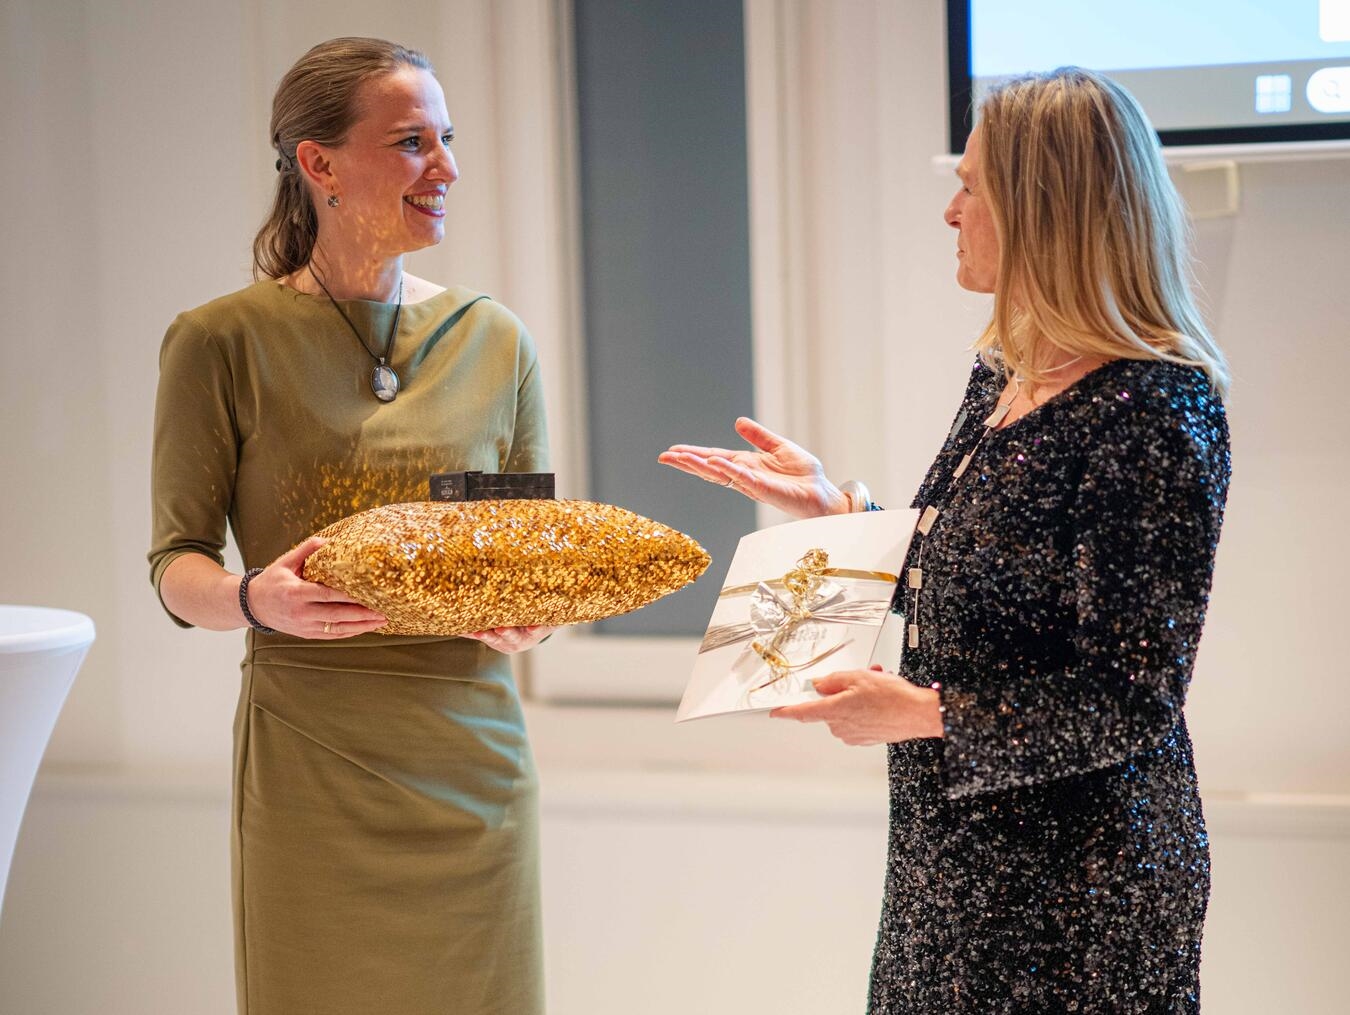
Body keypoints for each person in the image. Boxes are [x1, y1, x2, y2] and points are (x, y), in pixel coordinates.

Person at [661, 67, 1230, 1013]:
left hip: (1081, 891)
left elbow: (1132, 697)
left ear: (1043, 211)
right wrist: (841, 511)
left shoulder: (1155, 411)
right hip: (951, 858)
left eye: (972, 187)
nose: (950, 210)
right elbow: (979, 572)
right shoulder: (1005, 369)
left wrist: (923, 712)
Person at [148, 38, 552, 1015]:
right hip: (312, 771)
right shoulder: (219, 342)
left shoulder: (495, 341)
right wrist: (253, 598)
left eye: (447, 140)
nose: (447, 168)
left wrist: (530, 613)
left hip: (476, 765)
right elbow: (177, 561)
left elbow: (528, 565)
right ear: (317, 164)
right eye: (414, 142)